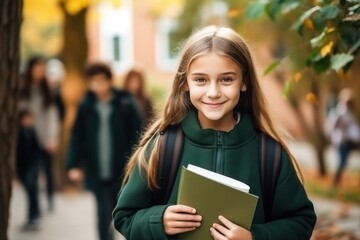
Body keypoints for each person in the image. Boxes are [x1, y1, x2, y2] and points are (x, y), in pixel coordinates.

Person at [112, 25, 316, 240]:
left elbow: (301, 221)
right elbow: (125, 217)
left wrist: (254, 237)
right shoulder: (163, 146)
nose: (213, 92)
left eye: (226, 79)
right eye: (200, 80)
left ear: (244, 82)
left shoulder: (269, 153)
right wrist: (158, 220)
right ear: (185, 84)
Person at [66, 62, 143, 240]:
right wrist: (74, 165)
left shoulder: (125, 103)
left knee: (122, 212)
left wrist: (139, 164)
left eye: (101, 80)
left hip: (122, 170)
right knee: (102, 214)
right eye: (93, 81)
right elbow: (77, 136)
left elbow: (139, 135)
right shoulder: (86, 106)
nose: (98, 85)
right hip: (97, 169)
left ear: (109, 81)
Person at [20, 56, 60, 212]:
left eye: (42, 70)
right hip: (26, 140)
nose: (40, 73)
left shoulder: (46, 90)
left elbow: (52, 116)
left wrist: (52, 138)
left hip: (43, 139)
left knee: (44, 171)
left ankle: (39, 207)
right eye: (37, 69)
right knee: (27, 177)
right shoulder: (22, 89)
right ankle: (34, 209)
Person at [326, 88, 360, 186]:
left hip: (348, 140)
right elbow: (333, 124)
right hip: (342, 141)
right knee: (342, 161)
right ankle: (335, 182)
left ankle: (337, 181)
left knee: (343, 162)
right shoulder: (339, 112)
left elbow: (353, 128)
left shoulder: (349, 113)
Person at [16, 109, 41, 231]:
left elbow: (37, 149)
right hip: (23, 167)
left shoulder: (32, 131)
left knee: (33, 191)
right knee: (30, 192)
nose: (29, 121)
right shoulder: (19, 133)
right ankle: (33, 216)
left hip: (33, 166)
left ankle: (35, 216)